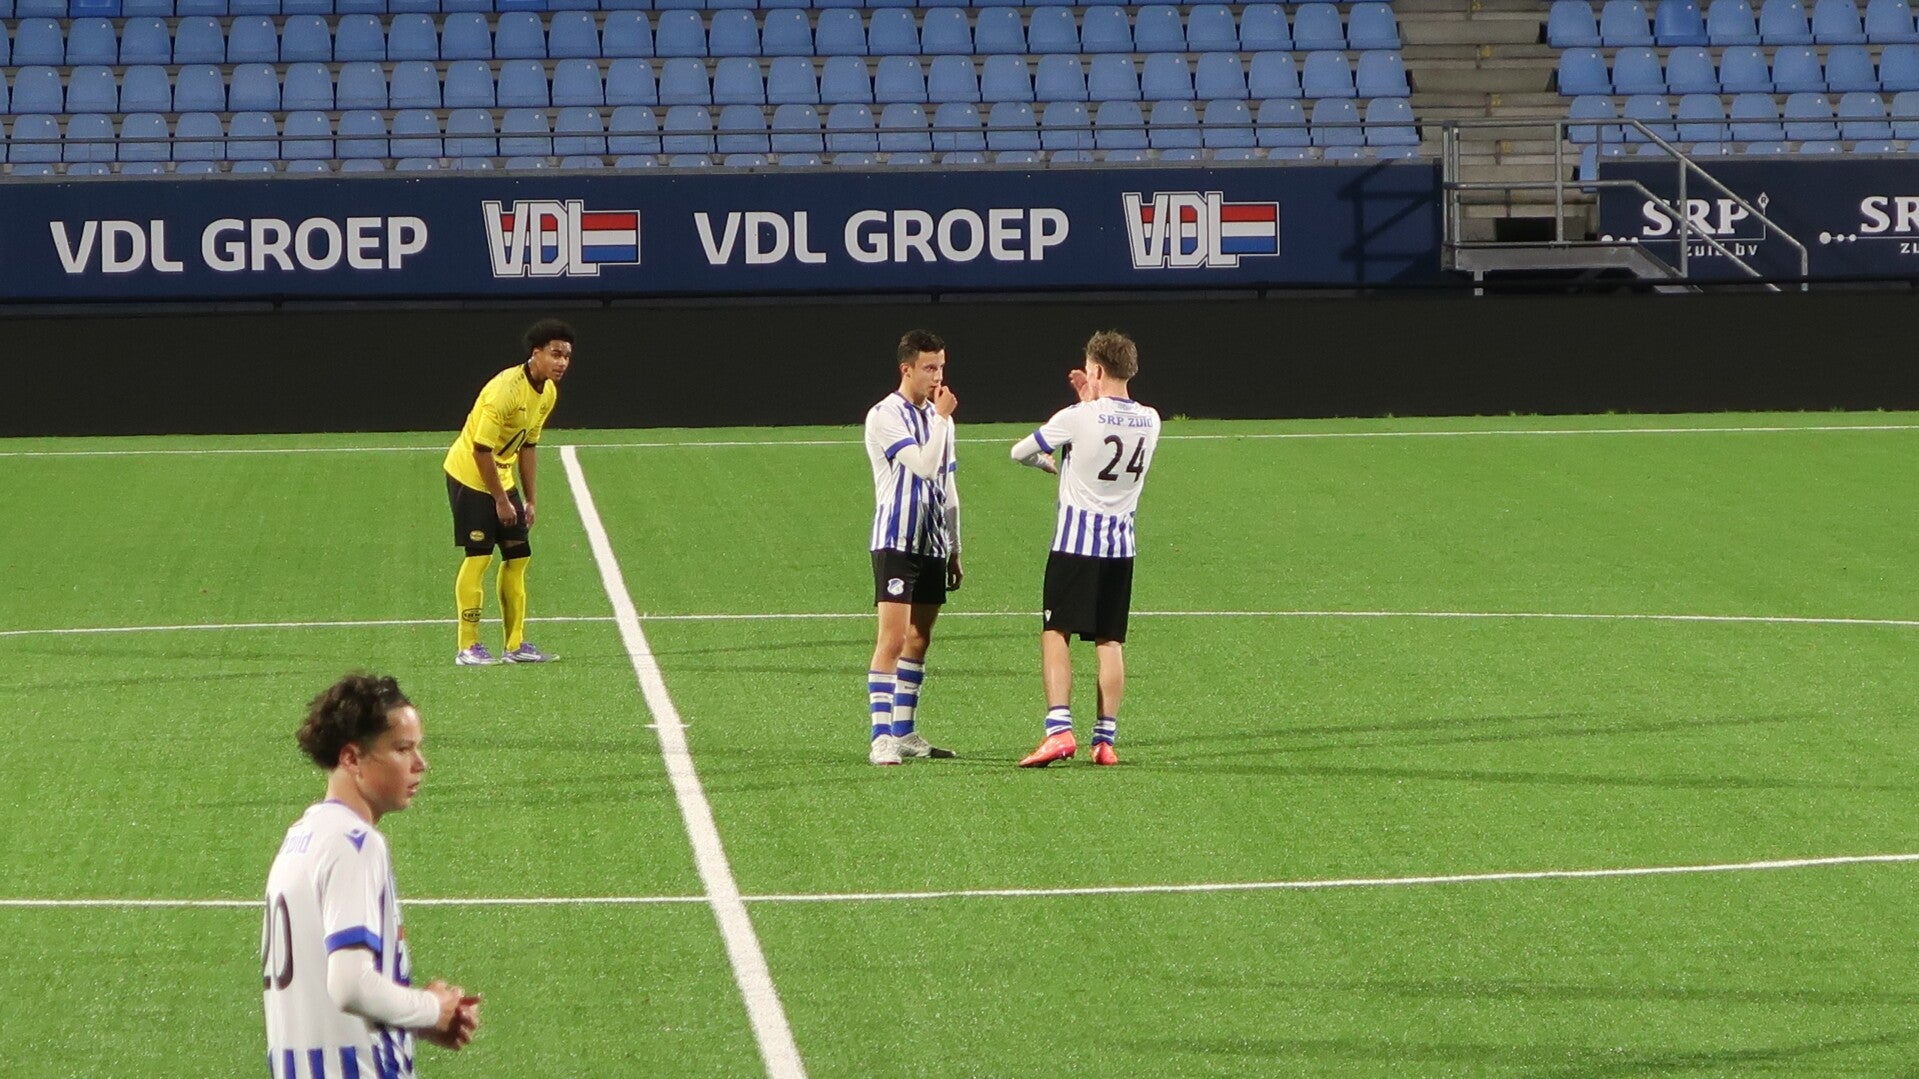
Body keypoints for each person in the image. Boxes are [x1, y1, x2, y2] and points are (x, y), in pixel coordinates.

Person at [262, 673, 480, 1078]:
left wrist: (415, 1020)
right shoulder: (354, 843)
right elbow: (350, 985)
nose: (421, 763)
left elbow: (324, 998)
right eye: (403, 749)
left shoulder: (300, 840)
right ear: (351, 758)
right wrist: (432, 1008)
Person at [1009, 331, 1162, 767]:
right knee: (1110, 640)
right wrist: (1091, 400)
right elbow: (1109, 424)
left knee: (1056, 631)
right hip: (1121, 547)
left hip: (1075, 545)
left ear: (1095, 369)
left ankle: (1059, 731)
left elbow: (1020, 451)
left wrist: (1046, 461)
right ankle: (1105, 741)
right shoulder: (1151, 419)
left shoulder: (1077, 417)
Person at [442, 319, 572, 666]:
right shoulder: (505, 391)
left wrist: (530, 499)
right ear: (536, 353)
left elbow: (528, 445)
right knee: (479, 557)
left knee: (518, 556)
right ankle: (468, 646)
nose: (562, 362)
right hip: (470, 476)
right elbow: (480, 449)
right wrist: (500, 500)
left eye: (566, 356)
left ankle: (515, 645)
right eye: (555, 354)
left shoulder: (547, 393)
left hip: (501, 475)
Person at [862, 329, 964, 766]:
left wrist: (955, 546)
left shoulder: (943, 420)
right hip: (897, 540)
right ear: (907, 369)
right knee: (893, 638)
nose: (937, 376)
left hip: (932, 542)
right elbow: (922, 466)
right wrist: (940, 419)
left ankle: (904, 731)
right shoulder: (885, 415)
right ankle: (880, 737)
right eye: (929, 368)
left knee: (920, 639)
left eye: (940, 367)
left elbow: (948, 485)